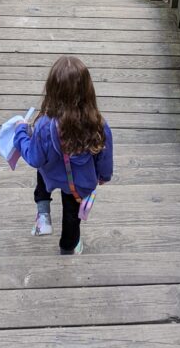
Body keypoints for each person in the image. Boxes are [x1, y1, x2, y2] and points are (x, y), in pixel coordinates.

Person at [13, 55, 113, 255]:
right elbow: (105, 156)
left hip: (51, 176)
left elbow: (35, 158)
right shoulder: (98, 124)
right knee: (71, 215)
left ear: (52, 90)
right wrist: (103, 176)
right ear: (88, 90)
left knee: (42, 167)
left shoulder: (44, 126)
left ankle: (43, 215)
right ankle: (68, 247)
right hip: (79, 183)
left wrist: (20, 133)